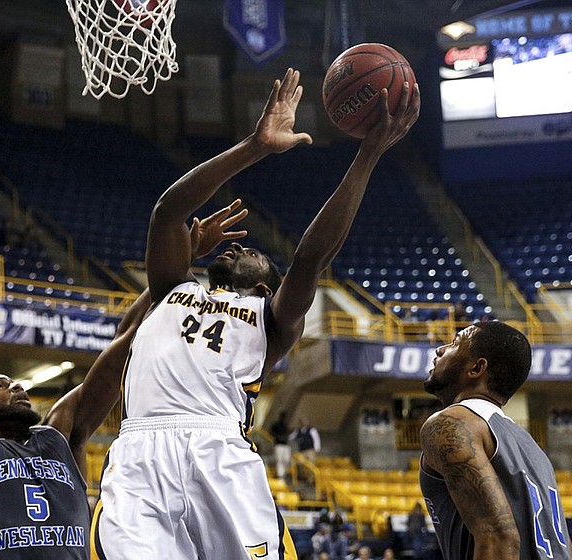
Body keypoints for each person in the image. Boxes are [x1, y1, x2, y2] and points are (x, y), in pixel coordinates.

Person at [94, 68, 419, 559]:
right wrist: (255, 147)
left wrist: (368, 153)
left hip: (220, 452)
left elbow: (311, 256)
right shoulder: (170, 288)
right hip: (140, 451)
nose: (234, 250)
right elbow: (167, 212)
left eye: (250, 253)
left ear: (265, 283)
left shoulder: (271, 318)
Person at [0, 167, 250, 559]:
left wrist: (174, 271)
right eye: (1, 383)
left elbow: (124, 346)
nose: (19, 387)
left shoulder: (60, 434)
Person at [420, 321, 572, 559]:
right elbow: (563, 546)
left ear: (476, 368)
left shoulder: (451, 423)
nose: (440, 349)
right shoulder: (532, 446)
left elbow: (498, 536)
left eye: (454, 343)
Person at [270, 411, 292, 479]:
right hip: (278, 444)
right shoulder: (275, 425)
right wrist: (278, 437)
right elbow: (271, 432)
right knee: (279, 460)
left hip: (285, 444)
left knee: (286, 460)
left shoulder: (285, 426)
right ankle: (280, 474)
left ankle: (284, 472)